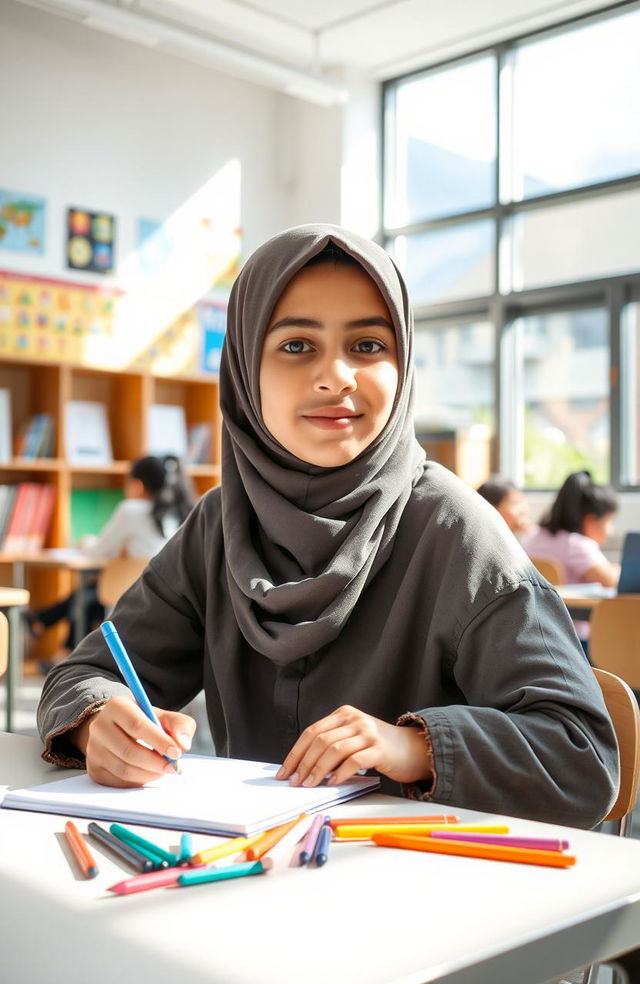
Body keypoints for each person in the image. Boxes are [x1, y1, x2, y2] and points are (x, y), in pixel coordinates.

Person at [37, 225, 618, 829]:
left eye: (368, 346)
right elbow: (84, 674)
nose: (336, 376)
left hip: (420, 884)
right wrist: (97, 720)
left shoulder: (455, 530)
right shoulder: (220, 523)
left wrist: (412, 747)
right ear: (244, 369)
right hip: (239, 876)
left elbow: (582, 758)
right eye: (295, 346)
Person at [26, 455, 195, 668]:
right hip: (177, 601)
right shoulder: (186, 512)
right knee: (91, 593)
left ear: (138, 484)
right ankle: (54, 639)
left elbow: (97, 553)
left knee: (90, 595)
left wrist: (86, 542)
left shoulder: (132, 509)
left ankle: (51, 635)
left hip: (138, 594)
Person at [521, 471, 620, 588]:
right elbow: (613, 581)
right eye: (609, 522)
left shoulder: (533, 536)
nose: (611, 530)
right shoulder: (577, 545)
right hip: (570, 607)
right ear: (591, 521)